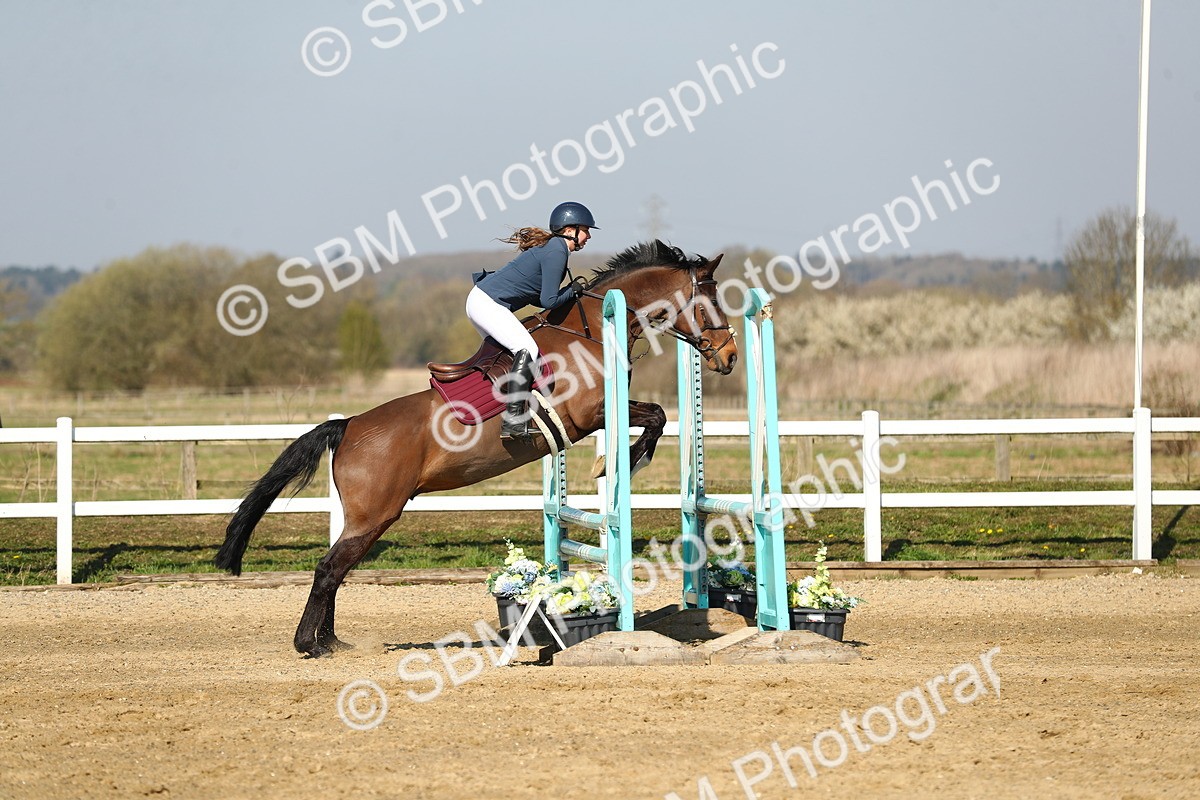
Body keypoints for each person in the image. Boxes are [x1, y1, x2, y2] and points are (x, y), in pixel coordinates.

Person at [466, 201, 599, 442]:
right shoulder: (557, 250)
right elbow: (548, 301)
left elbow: (542, 299)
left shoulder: (555, 248)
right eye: (586, 229)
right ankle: (513, 421)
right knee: (526, 349)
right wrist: (574, 289)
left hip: (481, 301)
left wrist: (570, 290)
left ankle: (494, 407)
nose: (589, 236)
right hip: (487, 304)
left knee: (507, 355)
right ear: (570, 230)